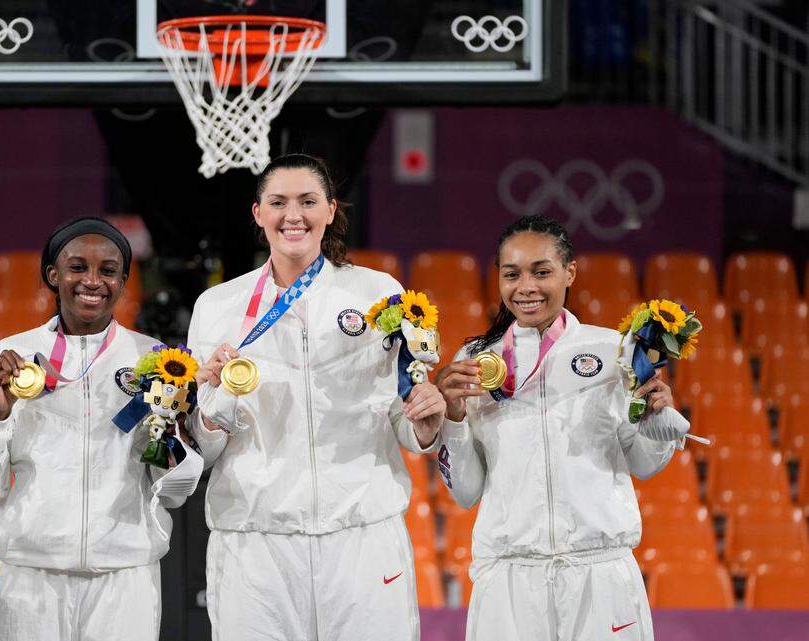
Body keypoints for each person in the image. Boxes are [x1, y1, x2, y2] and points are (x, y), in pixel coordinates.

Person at [187, 153, 446, 641]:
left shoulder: (378, 294)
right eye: (278, 202)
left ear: (330, 209)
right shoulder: (218, 307)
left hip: (361, 536)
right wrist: (216, 398)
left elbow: (400, 414)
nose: (293, 215)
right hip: (255, 543)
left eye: (308, 201)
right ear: (257, 213)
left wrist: (424, 426)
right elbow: (204, 446)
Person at [434, 215, 690, 641]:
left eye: (542, 271)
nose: (526, 287)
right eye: (511, 274)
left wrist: (652, 420)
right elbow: (465, 491)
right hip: (509, 577)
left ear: (570, 272)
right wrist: (454, 418)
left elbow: (643, 466)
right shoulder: (476, 361)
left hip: (599, 575)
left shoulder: (613, 350)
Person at [0, 217, 203, 641]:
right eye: (77, 267)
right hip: (29, 577)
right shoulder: (11, 358)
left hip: (124, 578)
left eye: (108, 270)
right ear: (53, 275)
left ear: (124, 280)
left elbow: (178, 489)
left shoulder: (158, 362)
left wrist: (166, 433)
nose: (93, 281)